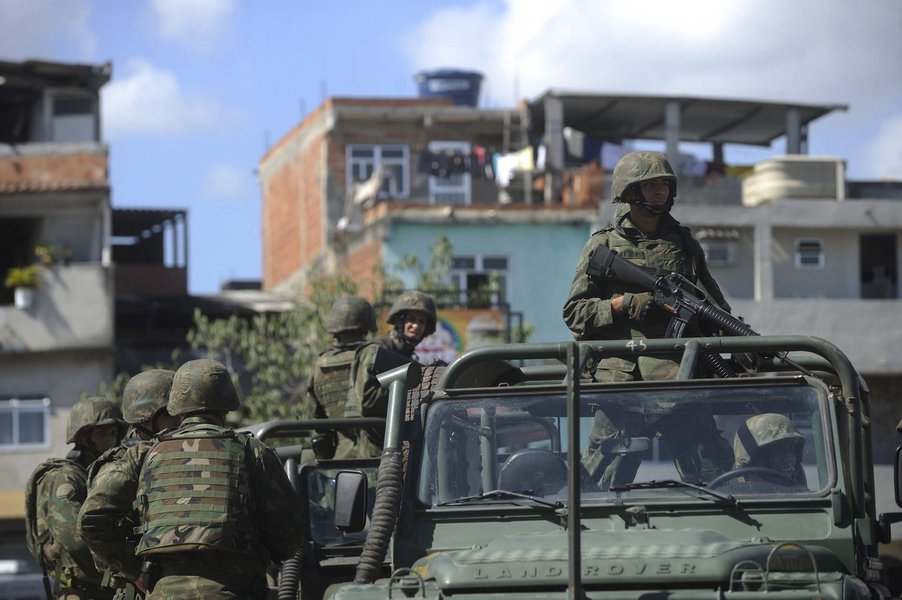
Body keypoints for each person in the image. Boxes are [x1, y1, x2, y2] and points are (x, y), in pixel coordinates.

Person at [562, 151, 733, 488]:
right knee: (595, 489)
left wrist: (737, 340)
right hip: (624, 383)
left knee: (719, 480)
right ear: (629, 193)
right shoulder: (602, 246)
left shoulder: (683, 243)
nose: (660, 192)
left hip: (681, 378)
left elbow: (713, 304)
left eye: (664, 185)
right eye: (650, 185)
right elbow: (574, 312)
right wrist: (624, 304)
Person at [77, 359, 304, 599]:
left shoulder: (142, 455)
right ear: (226, 402)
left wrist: (135, 571)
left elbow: (91, 521)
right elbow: (289, 534)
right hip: (235, 590)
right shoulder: (253, 451)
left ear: (175, 405)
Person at [78, 369, 179, 600]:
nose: (180, 420)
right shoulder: (124, 462)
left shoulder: (186, 450)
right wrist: (136, 573)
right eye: (171, 413)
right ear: (145, 417)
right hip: (140, 590)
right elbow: (91, 523)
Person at [25, 395, 124, 599]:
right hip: (79, 591)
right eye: (101, 432)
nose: (110, 439)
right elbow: (75, 540)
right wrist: (125, 568)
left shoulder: (96, 475)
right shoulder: (64, 477)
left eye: (113, 433)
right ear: (83, 437)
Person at [344, 290, 437, 457]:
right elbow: (368, 401)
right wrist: (414, 391)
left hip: (400, 448)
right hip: (373, 450)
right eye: (411, 319)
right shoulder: (375, 351)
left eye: (421, 322)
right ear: (399, 322)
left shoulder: (410, 360)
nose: (416, 326)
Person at [308, 295, 377, 458]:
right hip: (378, 460)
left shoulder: (320, 364)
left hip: (340, 462)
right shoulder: (375, 358)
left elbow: (314, 424)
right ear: (366, 325)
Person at [732, 413, 807, 487]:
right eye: (777, 451)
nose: (788, 459)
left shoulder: (800, 493)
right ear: (754, 459)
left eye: (792, 449)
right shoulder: (732, 494)